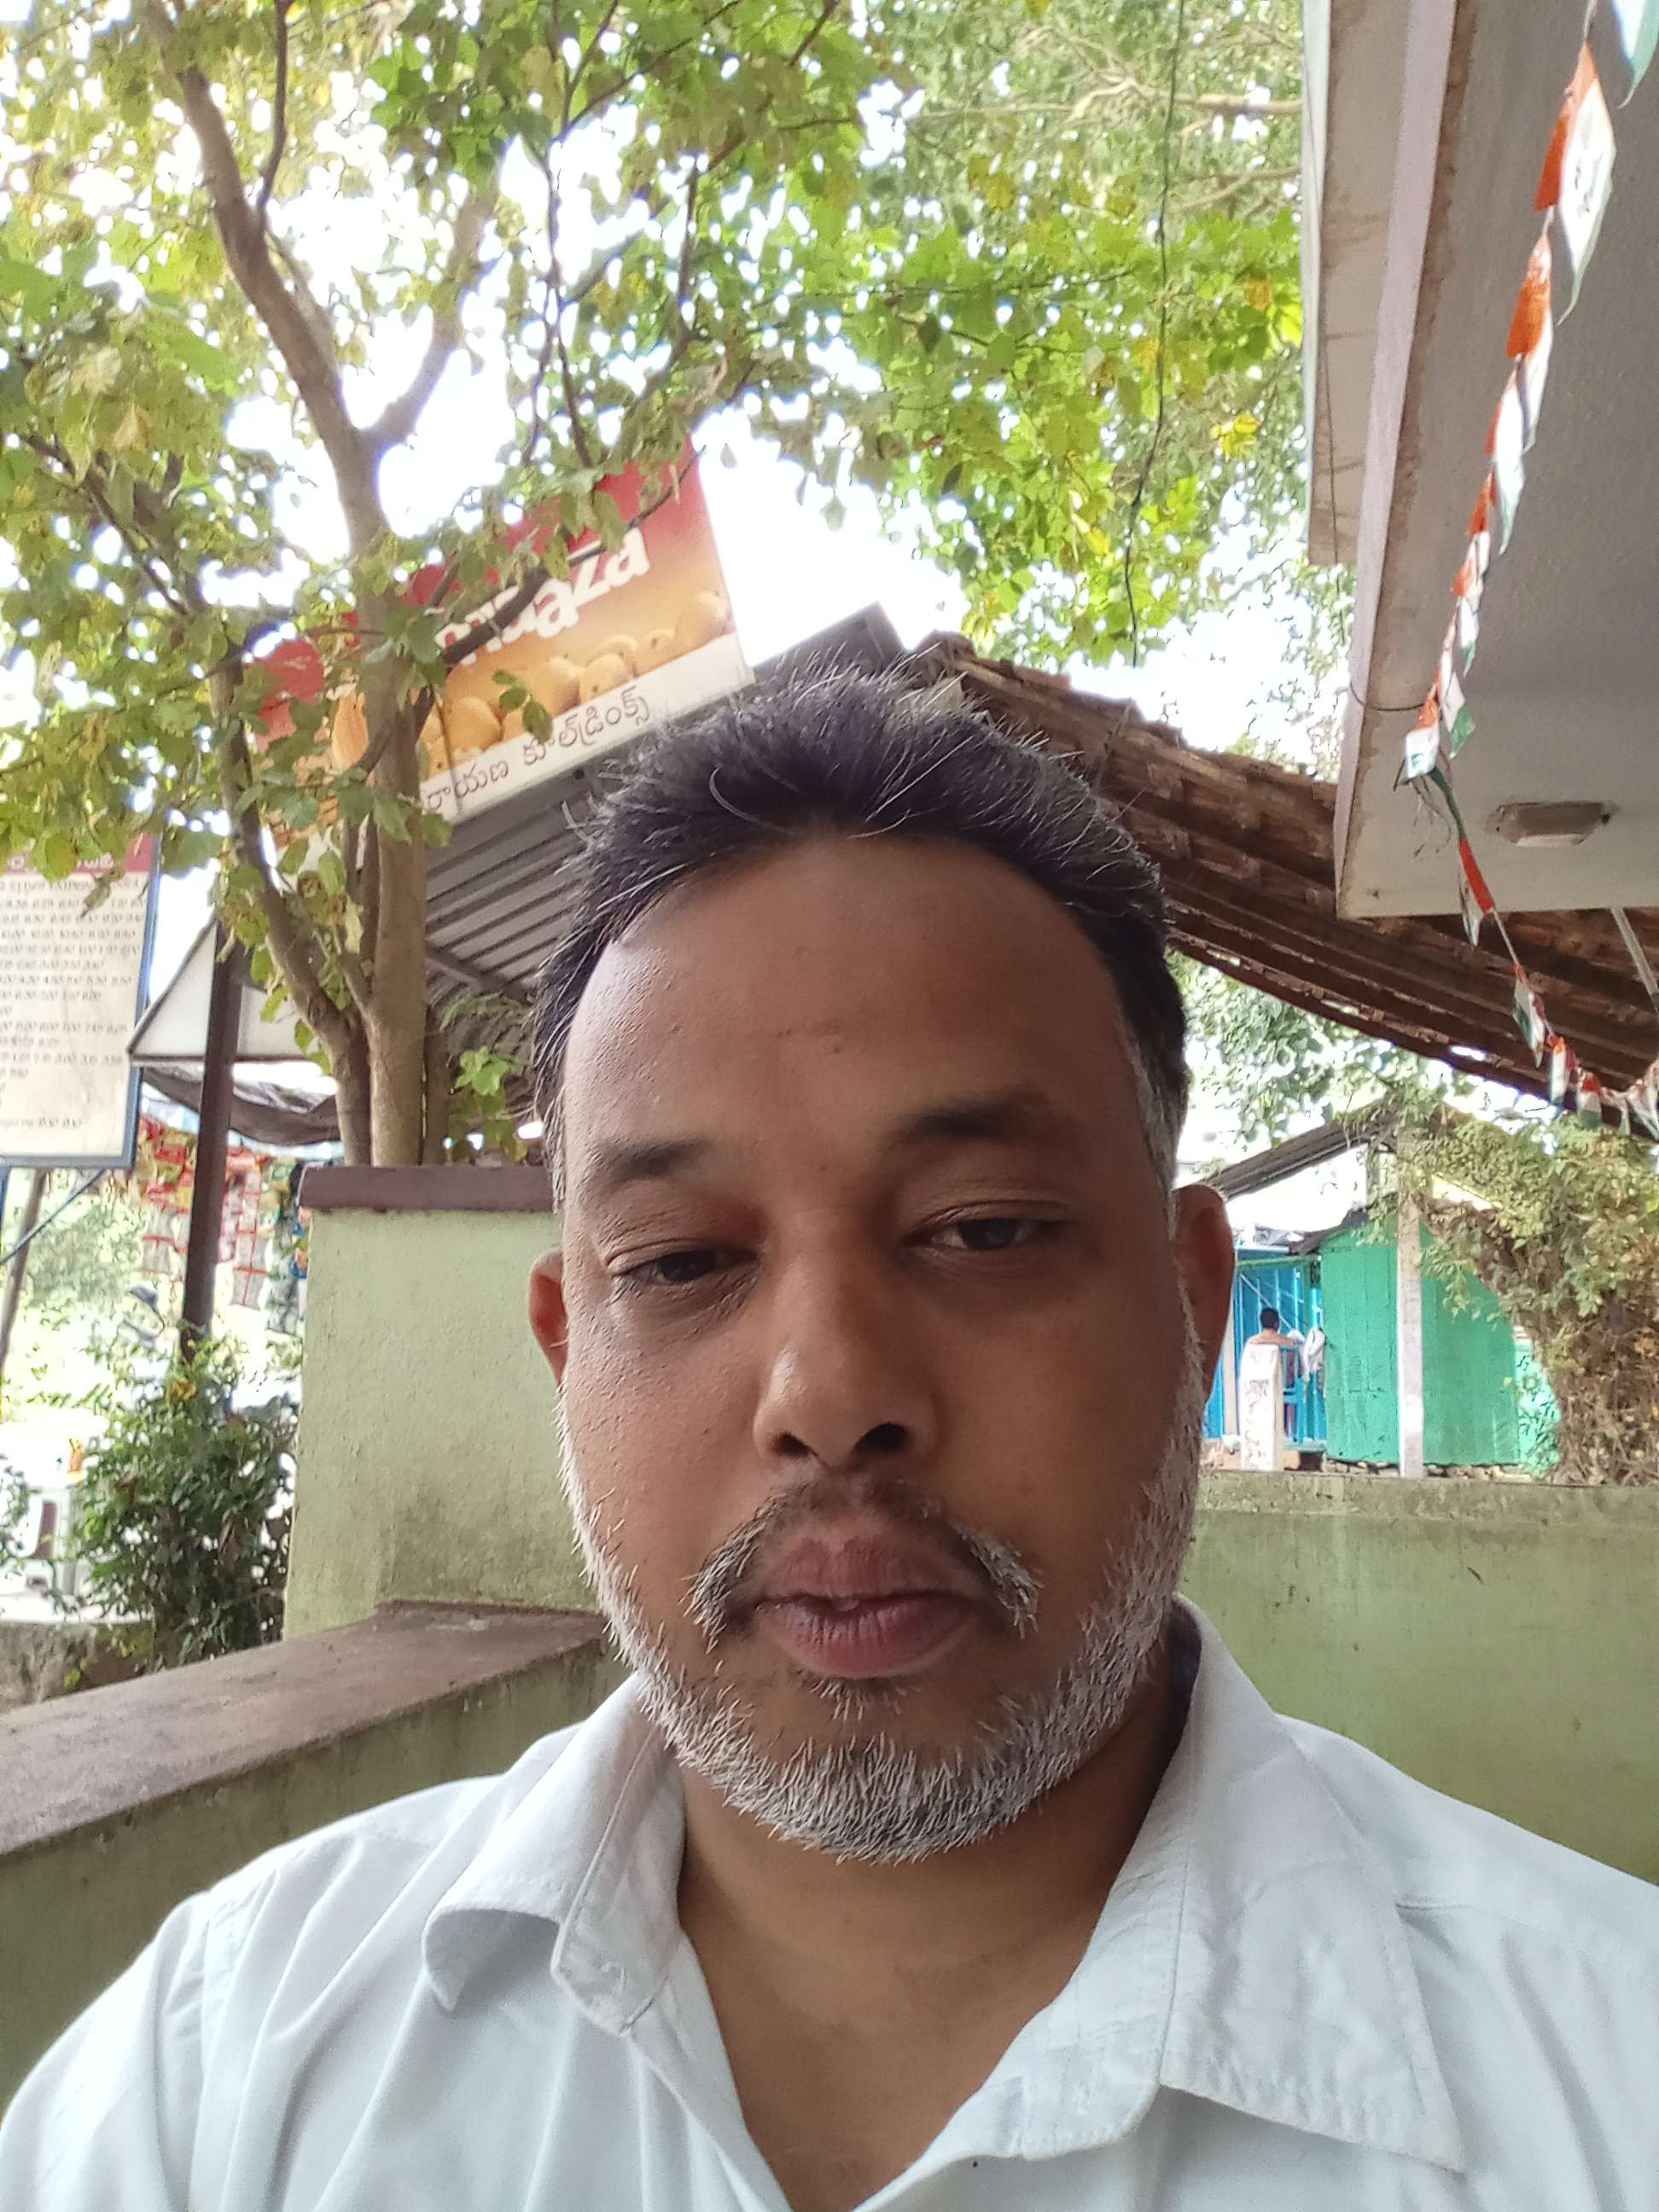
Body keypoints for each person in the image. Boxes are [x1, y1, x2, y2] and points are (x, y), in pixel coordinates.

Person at [3, 672, 1655, 2210]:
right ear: (565, 1352)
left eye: (985, 1228)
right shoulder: (222, 2084)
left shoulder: (1600, 2087)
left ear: (1192, 1303)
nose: (829, 1388)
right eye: (681, 1261)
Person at [1243, 1301, 1303, 1436]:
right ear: (1277, 1324)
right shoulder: (1289, 1342)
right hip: (1282, 1387)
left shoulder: (1252, 1343)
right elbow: (1297, 1371)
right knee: (1289, 1385)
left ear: (1261, 1323)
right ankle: (1287, 1433)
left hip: (1259, 1387)